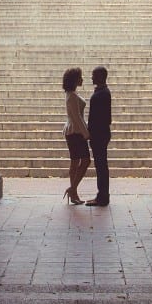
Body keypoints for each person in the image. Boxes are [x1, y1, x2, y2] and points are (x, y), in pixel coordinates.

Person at [61, 67, 90, 205]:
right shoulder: (72, 96)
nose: (82, 79)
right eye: (80, 77)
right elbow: (77, 117)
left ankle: (73, 193)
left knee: (75, 163)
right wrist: (86, 134)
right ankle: (73, 190)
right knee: (84, 161)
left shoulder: (71, 94)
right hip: (76, 133)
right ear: (74, 80)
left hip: (74, 132)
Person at [86, 66, 111, 206]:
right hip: (101, 133)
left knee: (101, 166)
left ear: (100, 77)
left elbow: (98, 118)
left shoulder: (101, 94)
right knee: (101, 165)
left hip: (99, 135)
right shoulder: (103, 92)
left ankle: (102, 197)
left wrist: (91, 133)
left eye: (94, 75)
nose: (91, 77)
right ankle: (102, 195)